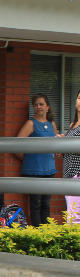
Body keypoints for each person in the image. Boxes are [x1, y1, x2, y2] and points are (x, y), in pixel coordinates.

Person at [16, 93, 58, 226]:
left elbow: (56, 145)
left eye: (41, 104)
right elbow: (16, 145)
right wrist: (29, 159)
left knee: (46, 203)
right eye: (35, 104)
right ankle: (36, 233)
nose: (38, 107)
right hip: (34, 170)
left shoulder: (52, 124)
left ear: (47, 107)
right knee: (36, 204)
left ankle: (46, 233)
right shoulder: (30, 123)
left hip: (49, 169)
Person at [64, 90, 80, 223]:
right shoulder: (73, 125)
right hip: (69, 173)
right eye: (79, 98)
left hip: (78, 173)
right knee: (72, 214)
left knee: (74, 218)